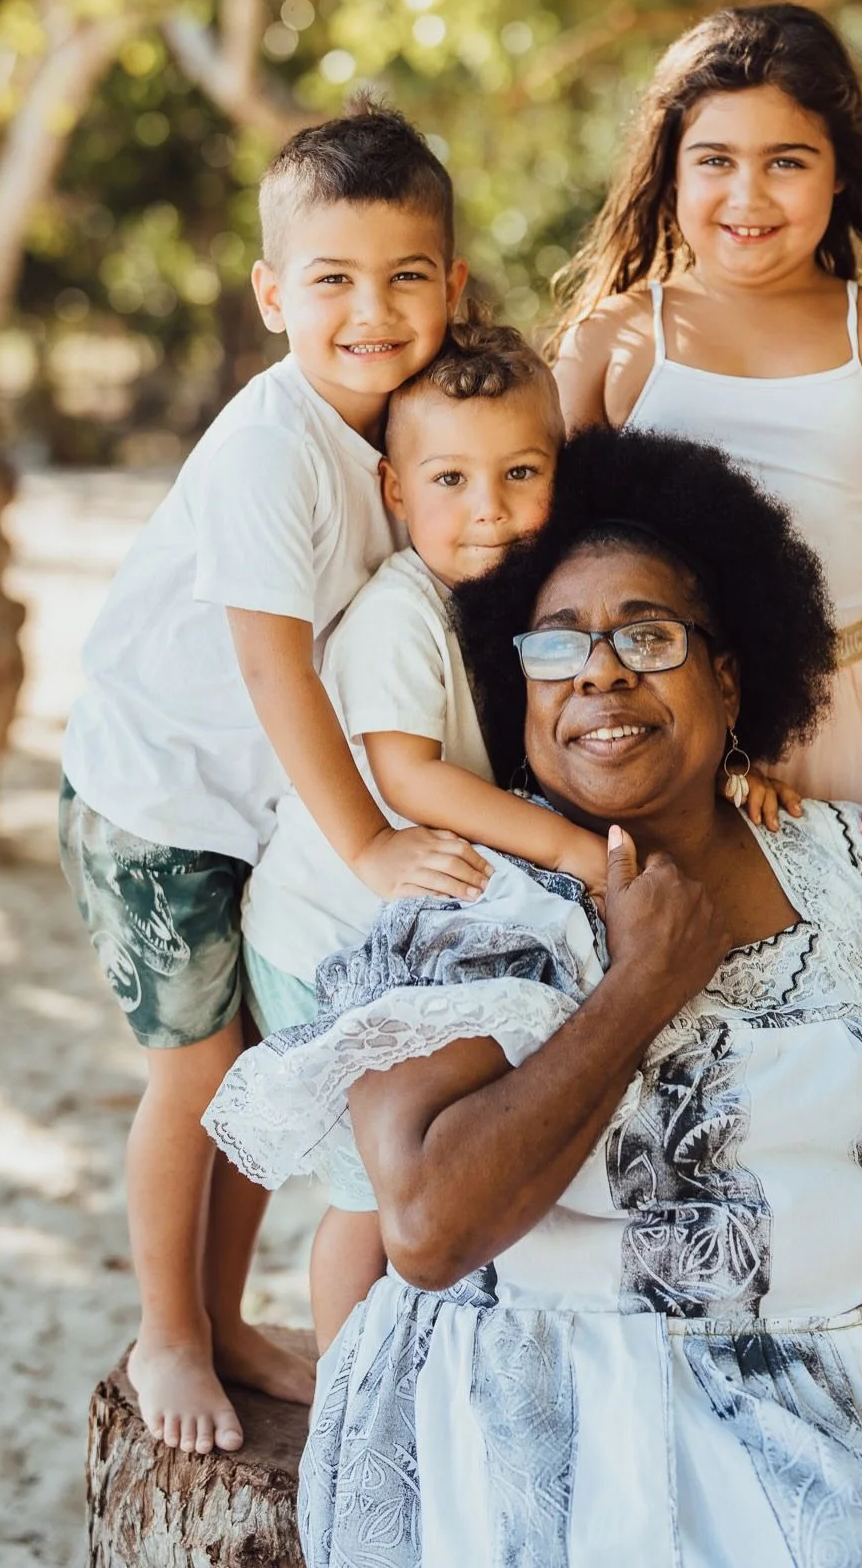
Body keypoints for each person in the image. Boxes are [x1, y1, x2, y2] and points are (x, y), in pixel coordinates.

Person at [204, 428, 862, 1568]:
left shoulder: (860, 881)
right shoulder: (466, 902)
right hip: (556, 1416)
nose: (600, 672)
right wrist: (643, 980)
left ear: (728, 675)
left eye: (647, 636)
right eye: (557, 645)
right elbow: (427, 1231)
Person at [57, 100, 489, 1455]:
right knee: (196, 1075)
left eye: (405, 276)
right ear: (270, 295)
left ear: (453, 285)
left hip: (252, 803)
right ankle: (168, 1334)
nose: (372, 310)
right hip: (156, 802)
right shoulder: (271, 446)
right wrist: (368, 847)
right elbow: (273, 668)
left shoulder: (410, 424)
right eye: (332, 279)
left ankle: (227, 1316)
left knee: (256, 1072)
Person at [552, 3, 862, 928]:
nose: (747, 196)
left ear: (838, 171)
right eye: (714, 160)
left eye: (786, 162)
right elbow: (556, 560)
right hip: (675, 730)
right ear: (668, 171)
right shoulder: (613, 344)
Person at [240, 317, 607, 1346]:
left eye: (520, 473)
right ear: (394, 490)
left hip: (404, 941)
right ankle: (345, 1387)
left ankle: (424, 1355)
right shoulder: (403, 613)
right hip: (325, 941)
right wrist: (571, 852)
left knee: (442, 1163)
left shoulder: (519, 594)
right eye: (449, 479)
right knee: (370, 1195)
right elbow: (409, 775)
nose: (489, 509)